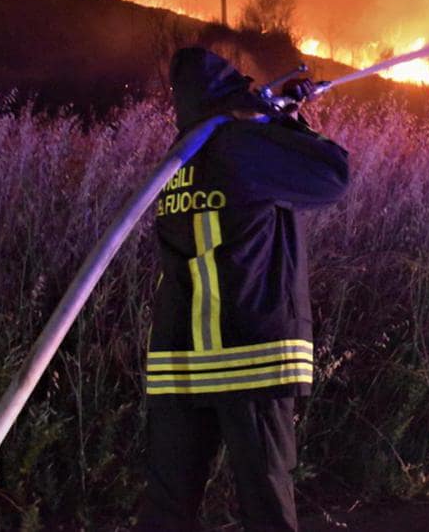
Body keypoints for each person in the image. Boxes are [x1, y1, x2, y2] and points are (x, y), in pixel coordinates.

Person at [136, 47, 350, 532]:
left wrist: (269, 119)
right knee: (266, 503)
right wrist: (286, 124)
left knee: (168, 507)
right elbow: (333, 175)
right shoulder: (242, 146)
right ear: (230, 99)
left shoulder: (180, 157)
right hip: (247, 352)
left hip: (182, 362)